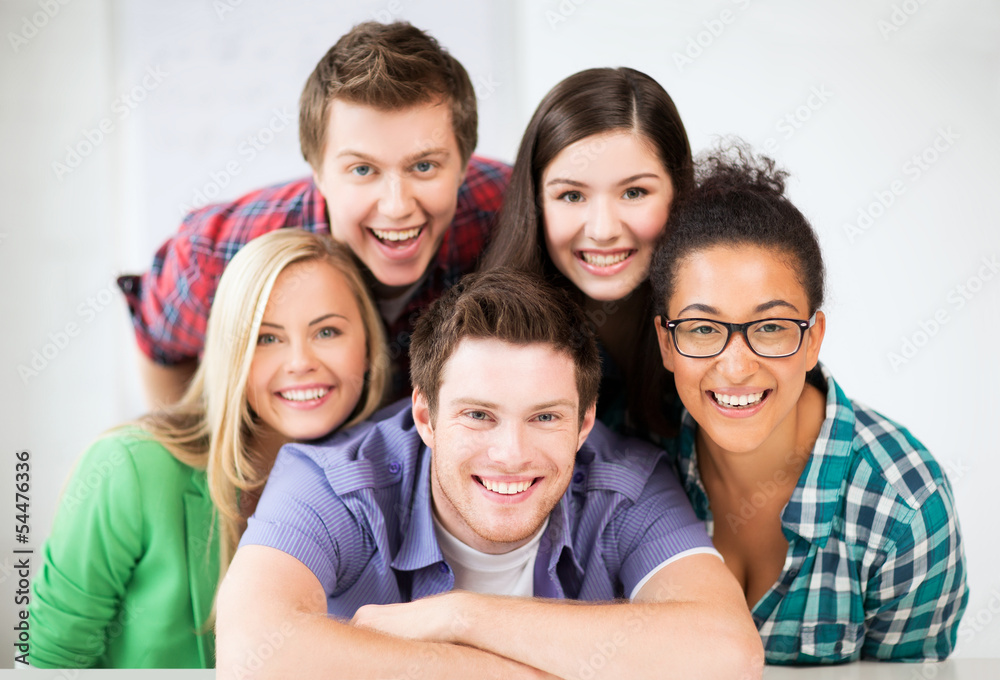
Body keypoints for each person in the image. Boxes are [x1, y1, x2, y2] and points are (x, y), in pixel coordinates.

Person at [216, 268, 764, 679]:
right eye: (478, 415)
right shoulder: (330, 482)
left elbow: (727, 652)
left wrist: (460, 617)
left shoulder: (626, 483)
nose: (511, 454)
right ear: (426, 416)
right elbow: (250, 650)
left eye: (545, 417)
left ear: (584, 422)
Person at [648, 145, 969, 663]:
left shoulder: (907, 508)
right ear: (666, 343)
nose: (735, 367)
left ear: (814, 338)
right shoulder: (639, 460)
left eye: (771, 327)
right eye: (703, 328)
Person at [29, 231, 389, 668]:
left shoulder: (388, 484)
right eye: (266, 337)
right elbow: (50, 663)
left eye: (327, 331)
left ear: (368, 345)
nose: (300, 361)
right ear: (231, 351)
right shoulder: (128, 468)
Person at [118, 21, 509, 408]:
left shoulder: (510, 209)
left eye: (423, 166)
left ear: (463, 164)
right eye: (362, 170)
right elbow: (160, 347)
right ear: (317, 171)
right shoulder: (216, 252)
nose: (396, 206)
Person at [482, 67, 692, 436]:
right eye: (572, 195)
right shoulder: (490, 338)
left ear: (679, 193)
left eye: (634, 192)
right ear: (535, 203)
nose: (603, 230)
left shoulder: (722, 317)